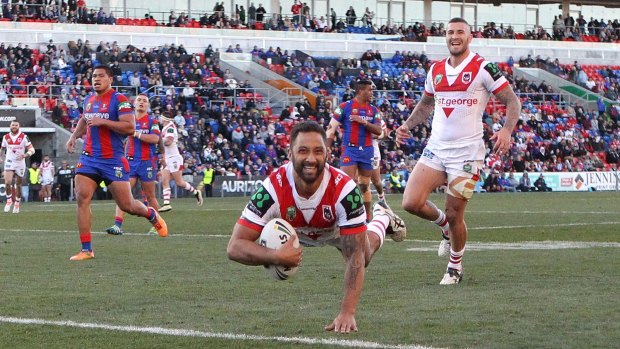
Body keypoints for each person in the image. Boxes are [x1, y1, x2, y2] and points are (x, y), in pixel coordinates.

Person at [227, 121, 406, 333]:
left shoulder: (345, 191)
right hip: (297, 232)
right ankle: (381, 218)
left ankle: (382, 218)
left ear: (327, 154)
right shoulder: (272, 188)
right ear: (290, 153)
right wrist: (275, 256)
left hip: (335, 230)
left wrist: (347, 312)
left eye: (318, 151)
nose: (311, 158)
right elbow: (235, 247)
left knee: (363, 256)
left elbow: (355, 257)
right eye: (303, 151)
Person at [396, 17, 521, 285]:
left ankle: (455, 266)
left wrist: (507, 130)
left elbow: (512, 100)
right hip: (436, 149)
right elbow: (426, 104)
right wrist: (407, 124)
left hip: (467, 153)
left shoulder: (483, 67)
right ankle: (441, 226)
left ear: (469, 37)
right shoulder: (435, 70)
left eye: (460, 32)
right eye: (450, 32)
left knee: (455, 214)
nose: (455, 36)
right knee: (410, 202)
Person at [65, 65, 168, 261]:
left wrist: (104, 122)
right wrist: (74, 136)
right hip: (89, 158)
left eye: (101, 76)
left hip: (113, 160)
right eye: (94, 76)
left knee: (127, 205)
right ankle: (86, 249)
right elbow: (84, 120)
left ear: (110, 78)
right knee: (82, 197)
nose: (96, 79)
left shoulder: (119, 100)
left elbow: (130, 127)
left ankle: (151, 215)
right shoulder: (89, 99)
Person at [105, 94, 163, 236]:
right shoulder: (128, 120)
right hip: (130, 162)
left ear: (148, 105)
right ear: (134, 104)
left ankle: (158, 225)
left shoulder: (151, 121)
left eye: (144, 101)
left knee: (150, 196)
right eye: (139, 100)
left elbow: (155, 138)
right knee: (122, 194)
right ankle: (117, 225)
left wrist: (136, 134)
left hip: (147, 161)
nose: (142, 103)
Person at [327, 80, 383, 221]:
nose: (372, 93)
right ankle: (343, 215)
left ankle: (367, 217)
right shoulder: (344, 107)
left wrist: (363, 121)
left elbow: (378, 130)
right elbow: (331, 128)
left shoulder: (374, 110)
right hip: (350, 150)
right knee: (347, 183)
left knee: (364, 186)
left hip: (367, 151)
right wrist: (327, 146)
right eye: (369, 90)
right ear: (360, 91)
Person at [158, 112, 203, 212]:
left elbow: (169, 141)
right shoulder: (165, 128)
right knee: (164, 181)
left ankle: (196, 192)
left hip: (174, 158)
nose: (159, 119)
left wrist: (158, 141)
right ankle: (166, 203)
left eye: (161, 117)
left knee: (179, 182)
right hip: (168, 158)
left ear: (165, 119)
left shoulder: (170, 127)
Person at [1, 120, 35, 213]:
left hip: (20, 163)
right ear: (10, 126)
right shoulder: (6, 137)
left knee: (18, 184)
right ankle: (9, 201)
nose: (14, 126)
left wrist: (25, 155)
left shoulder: (24, 137)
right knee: (7, 182)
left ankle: (17, 202)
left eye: (16, 125)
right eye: (13, 125)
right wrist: (0, 156)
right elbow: (2, 148)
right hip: (9, 161)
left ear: (19, 126)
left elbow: (32, 149)